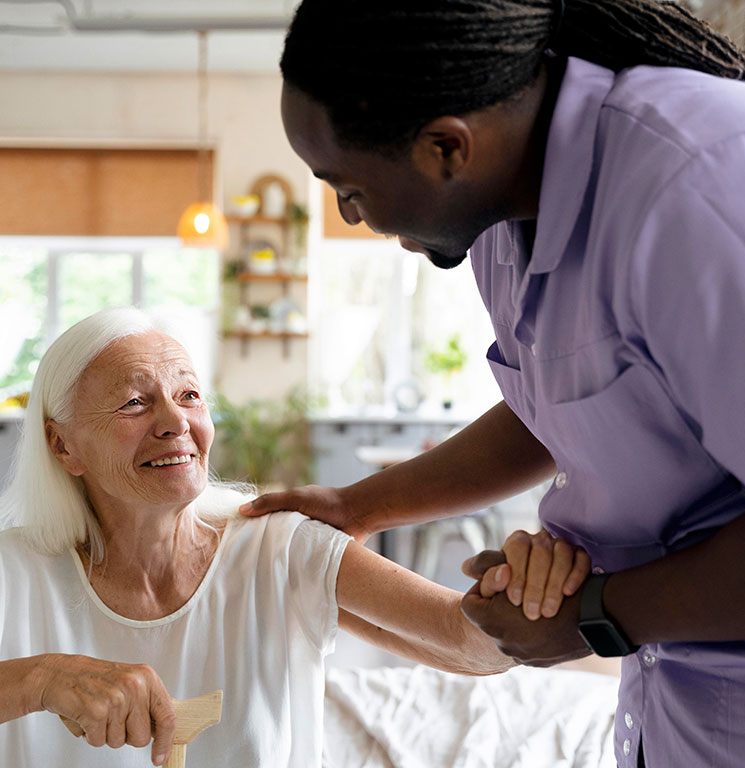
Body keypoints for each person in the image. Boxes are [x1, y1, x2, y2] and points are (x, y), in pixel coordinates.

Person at [239, 1, 745, 766]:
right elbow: (561, 403)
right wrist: (361, 505)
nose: (350, 218)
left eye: (348, 190)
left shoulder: (698, 191)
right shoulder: (500, 220)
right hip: (676, 715)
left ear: (446, 147)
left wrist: (594, 615)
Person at [0, 307, 587, 767]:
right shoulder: (13, 571)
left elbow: (467, 643)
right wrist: (41, 680)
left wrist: (524, 599)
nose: (177, 422)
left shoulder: (278, 547)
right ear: (62, 445)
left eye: (189, 395)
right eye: (134, 402)